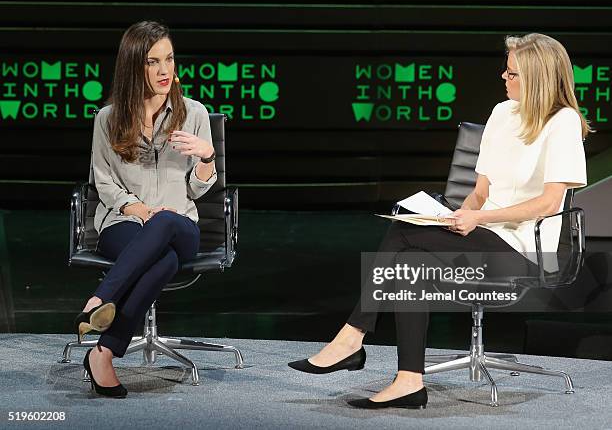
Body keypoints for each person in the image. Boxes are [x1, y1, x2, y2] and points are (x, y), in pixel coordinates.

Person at [288, 33, 589, 409]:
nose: (504, 77)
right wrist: (452, 217)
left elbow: (547, 203)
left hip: (526, 249)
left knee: (401, 232)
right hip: (485, 231)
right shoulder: (501, 113)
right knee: (410, 258)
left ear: (538, 77)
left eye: (512, 73)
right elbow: (480, 191)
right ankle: (409, 381)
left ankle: (352, 337)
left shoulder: (562, 122)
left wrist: (479, 217)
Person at [74, 21, 218, 398]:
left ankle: (101, 298)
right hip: (124, 223)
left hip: (181, 224)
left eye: (169, 59)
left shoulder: (195, 114)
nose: (165, 70)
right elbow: (103, 181)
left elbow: (198, 189)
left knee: (169, 221)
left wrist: (207, 156)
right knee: (164, 261)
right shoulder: (108, 119)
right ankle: (104, 353)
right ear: (133, 67)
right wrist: (136, 208)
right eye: (153, 62)